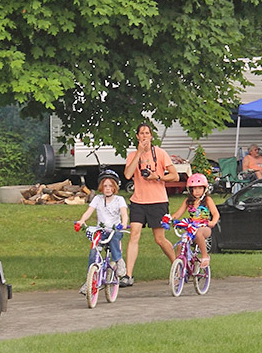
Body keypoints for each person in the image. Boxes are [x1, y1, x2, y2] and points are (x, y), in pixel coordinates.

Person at [121, 123, 179, 287]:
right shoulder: (133, 155)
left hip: (158, 201)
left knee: (159, 239)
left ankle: (177, 266)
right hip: (138, 201)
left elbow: (174, 176)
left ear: (151, 136)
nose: (145, 136)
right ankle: (128, 275)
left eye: (147, 133)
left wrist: (157, 177)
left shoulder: (160, 153)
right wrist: (139, 152)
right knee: (134, 235)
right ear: (137, 137)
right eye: (142, 133)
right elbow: (127, 174)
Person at [75, 169, 129, 295]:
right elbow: (89, 212)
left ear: (115, 187)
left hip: (114, 229)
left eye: (110, 186)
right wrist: (82, 220)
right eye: (105, 186)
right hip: (101, 230)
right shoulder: (98, 199)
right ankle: (90, 279)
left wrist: (124, 224)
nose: (108, 188)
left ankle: (119, 261)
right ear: (101, 187)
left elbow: (124, 213)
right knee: (93, 251)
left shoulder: (119, 199)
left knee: (115, 238)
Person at [170, 174, 221, 268]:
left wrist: (213, 222)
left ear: (204, 189)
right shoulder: (188, 201)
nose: (197, 191)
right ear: (190, 190)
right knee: (180, 245)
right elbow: (178, 213)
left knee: (198, 233)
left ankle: (205, 256)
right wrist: (169, 219)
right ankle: (178, 270)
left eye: (200, 188)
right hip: (191, 228)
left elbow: (215, 213)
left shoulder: (207, 200)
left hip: (204, 227)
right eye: (194, 189)